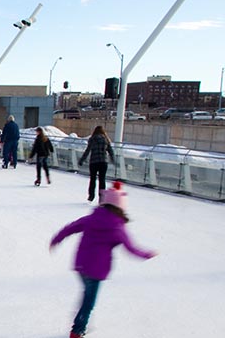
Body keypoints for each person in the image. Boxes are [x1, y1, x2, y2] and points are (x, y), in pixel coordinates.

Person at [50, 187, 156, 338]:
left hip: (81, 265)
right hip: (96, 270)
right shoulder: (117, 227)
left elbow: (71, 227)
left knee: (87, 296)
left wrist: (56, 239)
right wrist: (146, 254)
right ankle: (77, 330)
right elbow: (130, 248)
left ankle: (80, 324)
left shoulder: (91, 218)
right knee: (88, 302)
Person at [78, 126, 115, 202]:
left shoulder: (92, 139)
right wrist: (113, 159)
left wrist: (82, 160)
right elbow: (110, 151)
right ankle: (102, 198)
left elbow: (87, 150)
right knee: (102, 180)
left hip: (94, 162)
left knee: (93, 179)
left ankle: (91, 196)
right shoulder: (105, 139)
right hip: (103, 162)